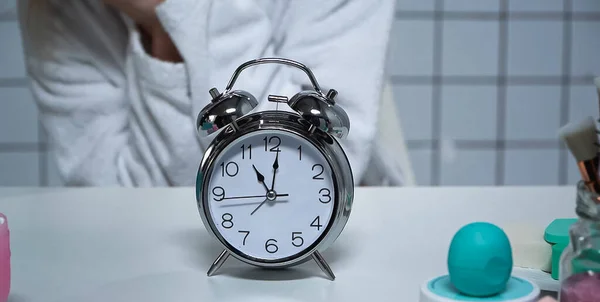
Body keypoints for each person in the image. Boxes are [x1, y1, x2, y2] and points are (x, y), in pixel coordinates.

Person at [18, 0, 406, 187]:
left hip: (349, 236)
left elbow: (301, 180)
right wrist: (163, 25)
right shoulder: (55, 10)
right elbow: (122, 213)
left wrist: (175, 11)